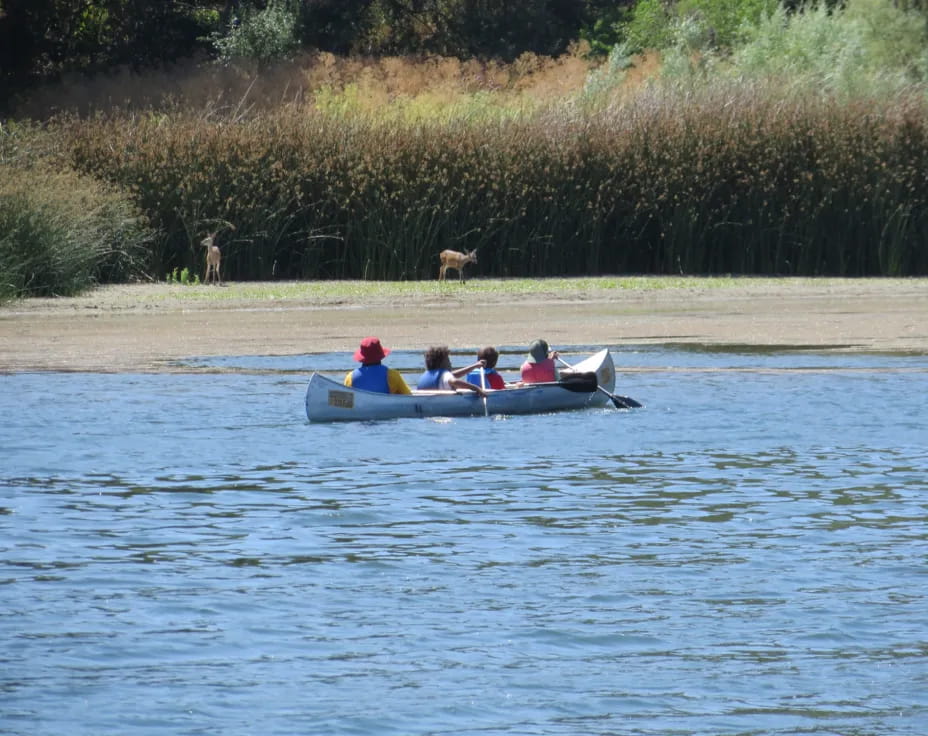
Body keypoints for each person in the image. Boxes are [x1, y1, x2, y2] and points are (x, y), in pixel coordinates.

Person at [344, 337, 411, 394]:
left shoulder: (350, 377)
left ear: (361, 358)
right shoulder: (392, 375)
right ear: (380, 356)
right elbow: (408, 396)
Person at [416, 346, 487, 397]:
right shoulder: (445, 375)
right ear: (442, 363)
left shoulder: (428, 374)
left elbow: (452, 375)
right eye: (448, 360)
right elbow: (454, 381)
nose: (450, 363)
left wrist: (475, 366)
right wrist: (476, 388)